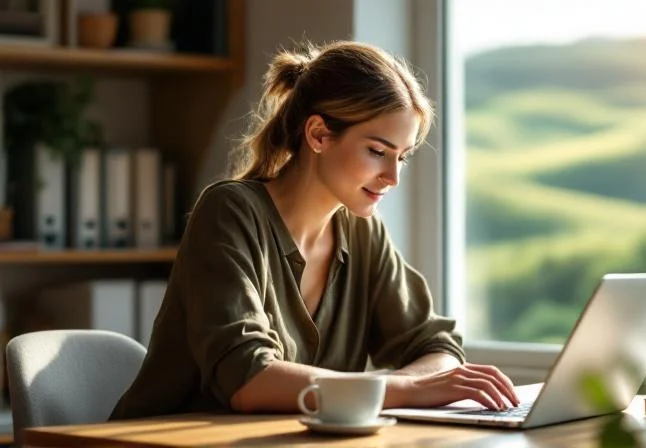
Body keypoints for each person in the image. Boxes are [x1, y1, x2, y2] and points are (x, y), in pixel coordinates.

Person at [110, 40, 519, 419]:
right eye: (377, 151)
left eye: (403, 156)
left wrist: (419, 384)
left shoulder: (362, 232)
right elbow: (248, 379)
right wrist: (406, 389)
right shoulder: (229, 211)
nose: (393, 176)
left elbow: (436, 345)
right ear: (319, 134)